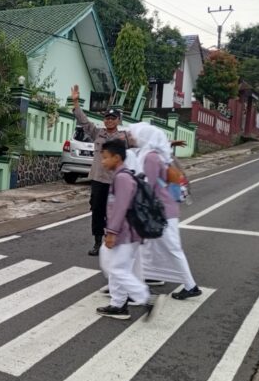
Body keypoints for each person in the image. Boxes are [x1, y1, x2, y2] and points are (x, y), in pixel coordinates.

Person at [127, 122, 201, 300]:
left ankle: (191, 286)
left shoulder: (150, 157)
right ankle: (138, 283)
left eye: (134, 134)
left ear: (144, 137)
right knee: (144, 247)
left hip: (162, 210)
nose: (131, 137)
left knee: (171, 247)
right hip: (164, 208)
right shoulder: (155, 154)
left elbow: (148, 186)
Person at [96, 139, 155, 320]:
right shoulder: (123, 175)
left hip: (125, 233)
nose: (102, 161)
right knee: (114, 266)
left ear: (117, 157)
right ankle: (118, 304)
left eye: (105, 158)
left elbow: (121, 207)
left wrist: (112, 233)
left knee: (116, 269)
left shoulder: (122, 178)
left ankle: (143, 297)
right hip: (126, 232)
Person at [70, 84, 128, 256]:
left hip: (115, 182)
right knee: (97, 211)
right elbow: (84, 122)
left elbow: (142, 144)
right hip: (98, 180)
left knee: (114, 212)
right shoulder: (98, 134)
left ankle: (112, 238)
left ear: (118, 120)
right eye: (107, 118)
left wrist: (168, 144)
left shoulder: (123, 138)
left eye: (113, 118)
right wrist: (76, 103)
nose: (109, 120)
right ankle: (97, 242)